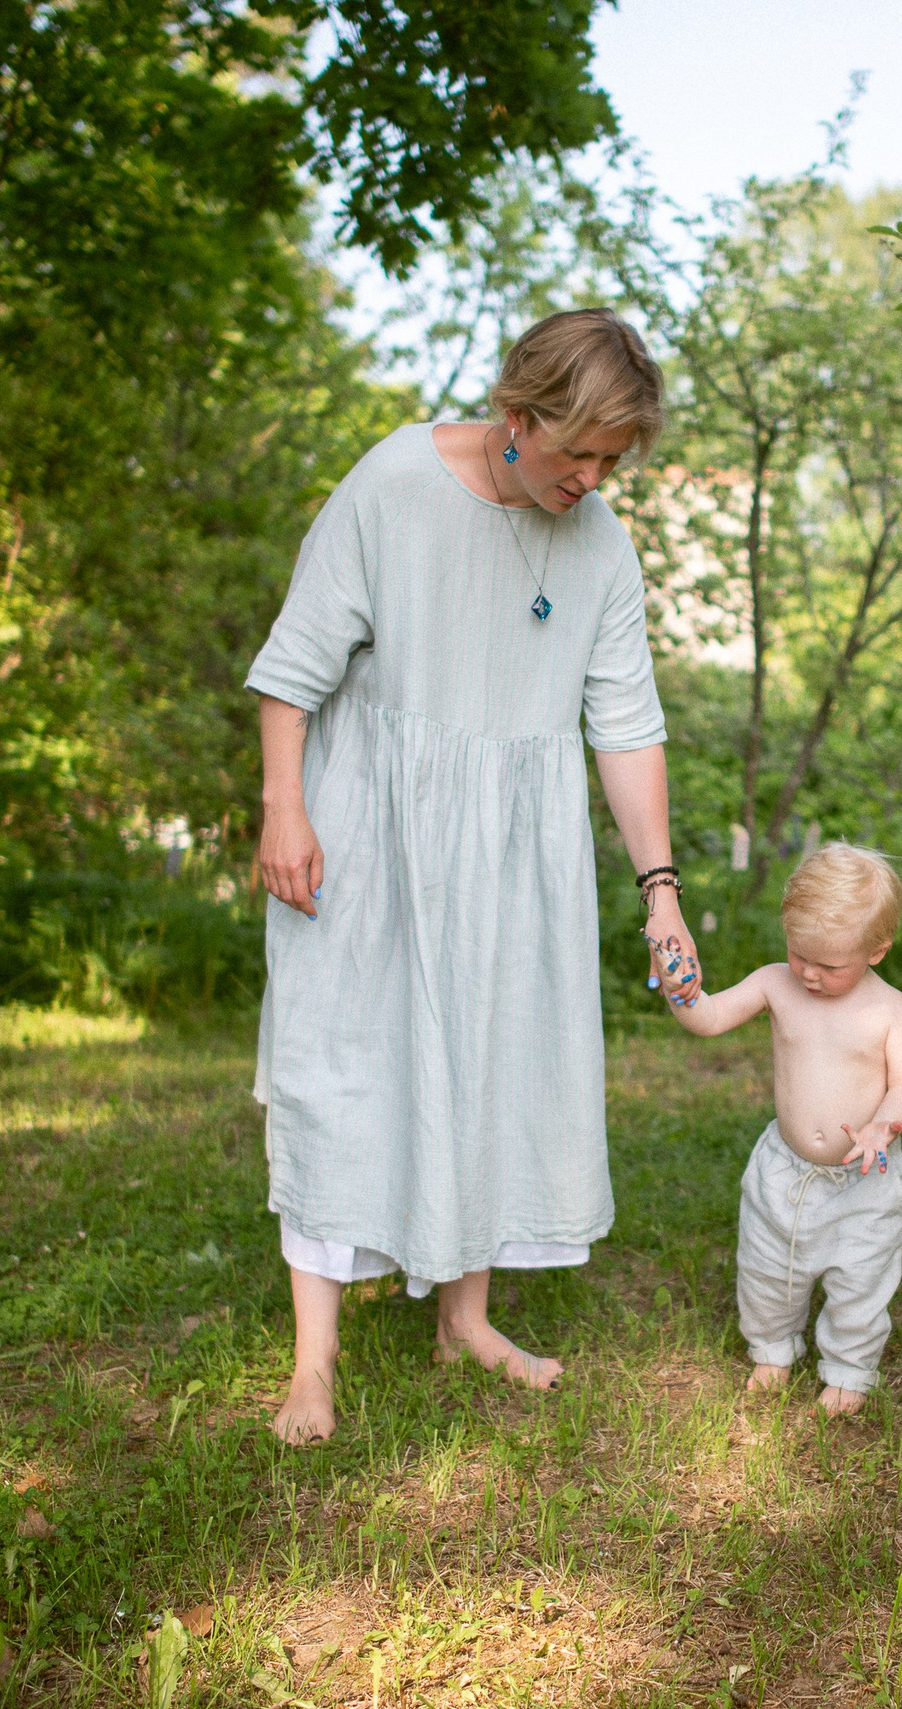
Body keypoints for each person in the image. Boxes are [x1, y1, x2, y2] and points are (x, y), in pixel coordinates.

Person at [248, 309, 704, 1444]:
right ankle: (314, 1360)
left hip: (512, 852)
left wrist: (662, 888)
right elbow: (295, 662)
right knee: (338, 1064)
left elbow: (626, 723)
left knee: (491, 1060)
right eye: (577, 453)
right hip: (370, 833)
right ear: (518, 416)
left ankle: (467, 1318)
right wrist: (284, 808)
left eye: (613, 460)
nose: (593, 479)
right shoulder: (396, 483)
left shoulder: (598, 542)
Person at [662, 843, 902, 1416]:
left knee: (861, 1279)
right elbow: (708, 1019)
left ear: (877, 951)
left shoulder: (891, 1011)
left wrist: (885, 1124)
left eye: (831, 966)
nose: (808, 973)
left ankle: (850, 1369)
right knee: (767, 1268)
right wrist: (682, 994)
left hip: (864, 1180)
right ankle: (772, 1348)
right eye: (798, 952)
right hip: (782, 1170)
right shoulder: (775, 984)